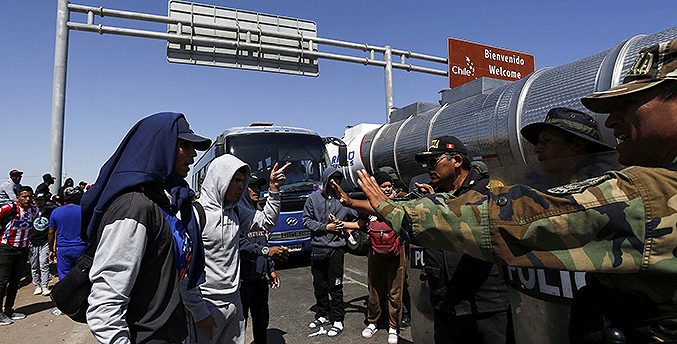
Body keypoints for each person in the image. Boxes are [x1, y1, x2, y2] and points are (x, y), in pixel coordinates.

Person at [354, 38, 677, 343]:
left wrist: (393, 209)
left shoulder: (647, 194)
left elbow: (506, 220)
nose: (612, 121)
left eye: (630, 103)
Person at [81, 112, 210, 343]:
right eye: (184, 145)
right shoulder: (134, 207)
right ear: (159, 147)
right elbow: (104, 308)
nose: (193, 155)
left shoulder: (162, 202)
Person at [181, 154, 288, 344]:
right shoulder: (194, 215)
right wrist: (198, 311)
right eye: (235, 180)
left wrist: (274, 190)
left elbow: (267, 221)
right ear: (220, 178)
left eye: (242, 180)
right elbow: (182, 273)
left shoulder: (236, 211)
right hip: (207, 304)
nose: (241, 186)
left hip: (234, 301)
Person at [303, 167, 358, 337]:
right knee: (319, 286)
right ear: (326, 180)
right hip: (318, 248)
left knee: (336, 286)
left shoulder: (343, 200)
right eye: (333, 179)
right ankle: (323, 315)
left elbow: (358, 216)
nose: (335, 183)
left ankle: (338, 320)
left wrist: (345, 226)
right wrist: (325, 227)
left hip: (336, 249)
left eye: (338, 180)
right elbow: (306, 220)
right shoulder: (313, 199)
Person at [354, 172, 405, 344]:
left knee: (395, 291)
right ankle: (373, 322)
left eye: (390, 185)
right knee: (374, 289)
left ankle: (393, 326)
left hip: (397, 253)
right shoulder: (368, 206)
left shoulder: (399, 202)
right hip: (375, 253)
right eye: (384, 186)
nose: (388, 188)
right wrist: (341, 225)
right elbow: (360, 225)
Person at [239, 172, 290, 344]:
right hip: (242, 282)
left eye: (258, 187)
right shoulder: (238, 212)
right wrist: (265, 252)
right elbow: (241, 246)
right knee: (240, 326)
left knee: (261, 323)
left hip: (260, 280)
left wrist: (271, 270)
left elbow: (264, 243)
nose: (256, 190)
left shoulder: (258, 211)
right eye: (252, 186)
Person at [520, 107, 616, 189]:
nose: (536, 149)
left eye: (547, 141)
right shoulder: (545, 182)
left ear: (577, 144)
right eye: (539, 142)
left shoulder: (601, 181)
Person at [0, 185, 39, 325]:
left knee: (15, 281)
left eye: (29, 196)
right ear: (18, 197)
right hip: (6, 249)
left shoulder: (34, 210)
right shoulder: (10, 208)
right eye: (24, 196)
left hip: (22, 250)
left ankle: (9, 309)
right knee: (2, 281)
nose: (27, 199)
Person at [48, 186, 86, 279]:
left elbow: (51, 233)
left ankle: (65, 293)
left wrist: (51, 250)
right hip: (81, 248)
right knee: (82, 275)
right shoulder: (84, 210)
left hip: (63, 249)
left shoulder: (56, 211)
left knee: (64, 276)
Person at [30, 192, 55, 296]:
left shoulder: (49, 213)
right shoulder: (31, 213)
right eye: (37, 200)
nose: (40, 202)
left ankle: (44, 286)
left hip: (44, 242)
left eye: (42, 200)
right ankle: (37, 285)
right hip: (33, 242)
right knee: (34, 265)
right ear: (34, 201)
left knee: (44, 264)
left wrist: (52, 245)